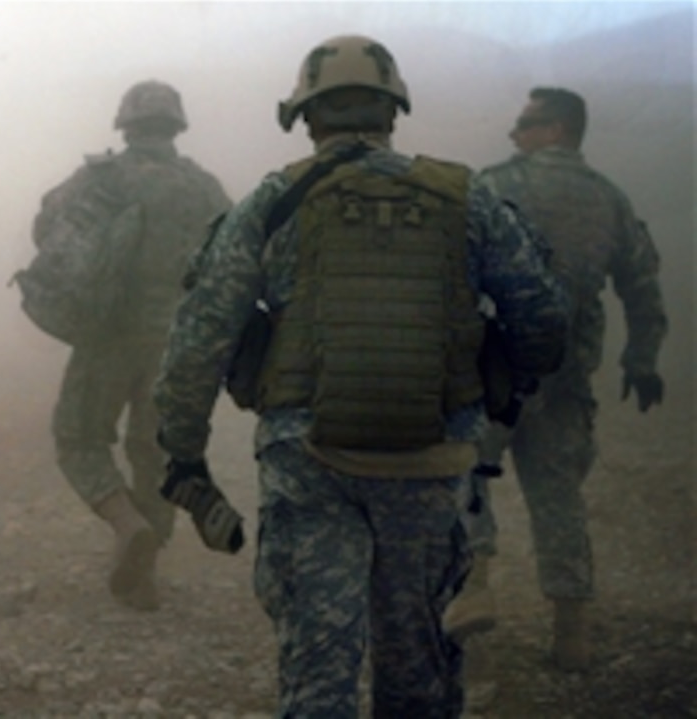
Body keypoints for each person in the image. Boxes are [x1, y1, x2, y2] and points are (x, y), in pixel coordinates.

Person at [153, 35, 570, 717]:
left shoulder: (273, 202)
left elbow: (201, 333)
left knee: (320, 663)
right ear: (392, 112)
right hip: (432, 460)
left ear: (307, 116)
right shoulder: (468, 198)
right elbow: (545, 320)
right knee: (418, 659)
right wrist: (499, 391)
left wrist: (183, 451)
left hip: (310, 458)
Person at [446, 87, 668, 670]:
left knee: (463, 470)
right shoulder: (609, 200)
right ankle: (573, 633)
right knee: (559, 498)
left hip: (492, 371)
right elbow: (642, 287)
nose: (514, 134)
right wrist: (641, 360)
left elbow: (450, 270)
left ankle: (475, 586)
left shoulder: (493, 185)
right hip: (566, 378)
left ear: (559, 128)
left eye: (527, 123)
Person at [34, 80, 230, 610]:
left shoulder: (100, 177)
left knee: (77, 437)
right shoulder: (203, 188)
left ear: (125, 127)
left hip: (107, 336)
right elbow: (231, 259)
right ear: (176, 126)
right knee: (157, 453)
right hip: (176, 344)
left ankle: (125, 523)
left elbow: (47, 230)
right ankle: (146, 574)